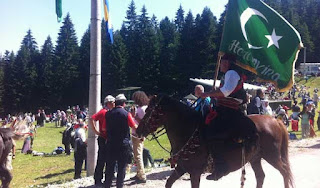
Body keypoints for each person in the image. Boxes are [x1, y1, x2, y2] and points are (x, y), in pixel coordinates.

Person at [200, 53, 257, 180]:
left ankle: (221, 167)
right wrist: (213, 93)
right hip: (224, 108)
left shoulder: (231, 74)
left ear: (226, 63)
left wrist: (207, 94)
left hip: (230, 110)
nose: (220, 64)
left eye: (222, 62)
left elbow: (225, 92)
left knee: (212, 133)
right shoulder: (228, 74)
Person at [104, 94, 137, 188]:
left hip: (110, 143)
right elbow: (134, 126)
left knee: (110, 166)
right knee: (122, 166)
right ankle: (119, 185)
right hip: (123, 143)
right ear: (124, 103)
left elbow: (105, 128)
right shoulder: (126, 114)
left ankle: (107, 184)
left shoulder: (108, 114)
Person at [90, 95, 115, 186]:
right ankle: (101, 178)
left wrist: (96, 131)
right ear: (108, 103)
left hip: (103, 138)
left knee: (102, 159)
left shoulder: (103, 111)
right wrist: (96, 131)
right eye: (113, 102)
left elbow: (92, 118)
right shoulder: (105, 112)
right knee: (105, 159)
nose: (114, 104)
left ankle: (98, 178)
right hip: (105, 138)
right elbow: (92, 119)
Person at [130, 91, 149, 183]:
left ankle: (142, 176)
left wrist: (134, 116)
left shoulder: (141, 109)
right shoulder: (145, 108)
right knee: (138, 154)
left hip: (137, 134)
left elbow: (142, 122)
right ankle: (138, 173)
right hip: (140, 133)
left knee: (137, 155)